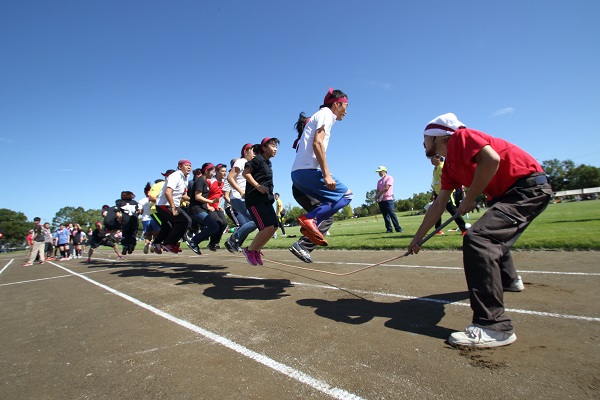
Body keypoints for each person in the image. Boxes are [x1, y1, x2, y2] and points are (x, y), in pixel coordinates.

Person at [407, 113, 553, 348]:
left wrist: (472, 196)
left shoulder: (460, 138)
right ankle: (509, 280)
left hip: (526, 188)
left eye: (424, 138)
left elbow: (491, 159)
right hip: (508, 194)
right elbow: (438, 205)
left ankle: (494, 326)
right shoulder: (450, 167)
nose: (422, 143)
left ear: (437, 136)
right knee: (490, 235)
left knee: (479, 238)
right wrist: (417, 238)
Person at [291, 88, 352, 246]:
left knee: (330, 203)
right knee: (346, 196)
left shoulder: (322, 115)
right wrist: (326, 174)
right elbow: (317, 143)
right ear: (337, 104)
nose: (346, 111)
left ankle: (305, 240)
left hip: (299, 174)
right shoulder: (326, 114)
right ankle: (309, 219)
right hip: (306, 171)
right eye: (346, 106)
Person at [240, 138, 280, 266]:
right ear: (264, 148)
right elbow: (245, 173)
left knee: (274, 226)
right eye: (273, 146)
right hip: (255, 199)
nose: (276, 149)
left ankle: (256, 250)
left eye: (276, 147)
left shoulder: (268, 163)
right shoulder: (257, 159)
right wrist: (257, 186)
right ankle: (249, 250)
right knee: (266, 226)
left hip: (266, 199)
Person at [288, 185, 335, 263]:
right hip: (307, 189)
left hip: (304, 189)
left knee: (322, 217)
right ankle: (302, 245)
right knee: (327, 217)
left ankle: (306, 233)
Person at [153, 160, 192, 253]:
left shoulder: (185, 178)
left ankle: (166, 243)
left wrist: (193, 200)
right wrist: (173, 207)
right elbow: (168, 192)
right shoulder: (175, 176)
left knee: (184, 222)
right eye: (186, 165)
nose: (189, 167)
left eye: (190, 166)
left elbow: (182, 195)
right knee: (184, 221)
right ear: (179, 166)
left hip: (173, 205)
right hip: (164, 205)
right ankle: (168, 243)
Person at [225, 144, 258, 253]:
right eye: (253, 151)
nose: (255, 154)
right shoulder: (241, 161)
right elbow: (230, 177)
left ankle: (234, 240)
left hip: (244, 198)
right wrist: (240, 191)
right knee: (256, 220)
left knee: (252, 222)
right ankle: (233, 239)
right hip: (238, 197)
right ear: (245, 151)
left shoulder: (247, 164)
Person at [185, 163, 220, 255]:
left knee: (214, 226)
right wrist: (211, 202)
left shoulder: (204, 181)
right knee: (214, 226)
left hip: (201, 209)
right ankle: (193, 241)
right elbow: (197, 196)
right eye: (212, 171)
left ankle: (194, 240)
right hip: (196, 209)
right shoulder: (200, 180)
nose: (213, 173)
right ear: (206, 171)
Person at [430, 155, 468, 235]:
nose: (431, 160)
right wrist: (433, 194)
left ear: (439, 158)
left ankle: (464, 229)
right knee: (437, 211)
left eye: (433, 157)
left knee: (453, 211)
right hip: (437, 193)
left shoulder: (444, 166)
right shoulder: (435, 169)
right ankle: (438, 230)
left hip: (446, 193)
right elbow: (435, 182)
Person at [206, 163, 229, 251]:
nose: (224, 173)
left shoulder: (224, 183)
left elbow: (220, 195)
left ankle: (215, 242)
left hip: (216, 207)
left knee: (225, 223)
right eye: (222, 171)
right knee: (218, 222)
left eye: (225, 171)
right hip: (208, 206)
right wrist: (208, 206)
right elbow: (204, 195)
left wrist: (219, 205)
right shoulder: (210, 181)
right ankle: (212, 242)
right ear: (216, 172)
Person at [374, 166, 403, 233]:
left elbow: (387, 187)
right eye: (378, 172)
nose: (379, 173)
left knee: (392, 214)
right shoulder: (379, 181)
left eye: (380, 172)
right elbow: (378, 190)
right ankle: (389, 229)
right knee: (385, 215)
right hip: (381, 200)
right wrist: (377, 197)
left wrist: (378, 195)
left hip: (388, 199)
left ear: (384, 171)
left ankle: (398, 228)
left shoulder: (389, 178)